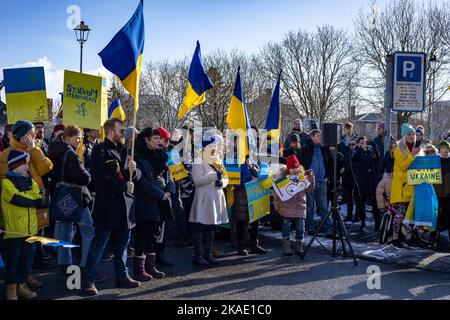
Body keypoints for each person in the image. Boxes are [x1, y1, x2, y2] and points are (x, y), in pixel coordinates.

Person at [83, 118, 139, 296]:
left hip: (125, 205)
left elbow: (134, 176)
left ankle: (122, 276)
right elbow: (99, 178)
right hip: (107, 204)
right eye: (121, 130)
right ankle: (89, 280)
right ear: (110, 131)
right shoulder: (100, 149)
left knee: (123, 244)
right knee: (99, 244)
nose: (124, 133)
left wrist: (134, 170)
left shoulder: (125, 149)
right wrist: (123, 185)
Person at [0, 120, 53, 289]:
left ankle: (27, 275)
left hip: (35, 206)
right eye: (31, 133)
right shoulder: (7, 154)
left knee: (32, 243)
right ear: (22, 136)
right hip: (19, 208)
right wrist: (25, 196)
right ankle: (17, 282)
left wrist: (34, 151)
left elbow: (47, 168)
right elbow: (3, 181)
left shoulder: (34, 149)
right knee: (17, 250)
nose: (35, 136)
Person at [48, 125, 94, 275]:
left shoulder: (54, 151)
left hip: (62, 196)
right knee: (88, 230)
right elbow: (83, 178)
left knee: (66, 232)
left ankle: (65, 265)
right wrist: (87, 171)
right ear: (67, 137)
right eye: (77, 138)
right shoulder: (71, 154)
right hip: (76, 197)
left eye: (81, 138)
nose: (79, 141)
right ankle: (86, 264)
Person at [133, 127, 175, 281]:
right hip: (146, 201)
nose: (159, 141)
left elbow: (168, 174)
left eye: (159, 138)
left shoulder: (160, 154)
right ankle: (139, 269)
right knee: (143, 234)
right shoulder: (137, 156)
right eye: (155, 138)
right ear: (147, 139)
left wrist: (170, 190)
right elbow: (141, 182)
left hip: (161, 201)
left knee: (154, 234)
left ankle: (151, 266)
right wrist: (160, 194)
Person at [2, 150, 44, 300]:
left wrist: (33, 200)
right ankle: (11, 290)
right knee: (12, 263)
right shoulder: (6, 182)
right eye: (25, 164)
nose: (28, 167)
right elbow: (18, 199)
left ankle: (21, 286)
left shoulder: (30, 180)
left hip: (30, 229)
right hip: (14, 231)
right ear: (16, 165)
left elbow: (38, 197)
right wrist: (33, 200)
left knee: (25, 262)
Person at [189, 136, 229, 266]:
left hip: (216, 197)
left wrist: (222, 182)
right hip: (204, 198)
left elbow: (226, 178)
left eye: (215, 146)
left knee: (212, 226)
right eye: (211, 146)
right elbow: (197, 181)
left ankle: (208, 254)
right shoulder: (198, 161)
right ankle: (197, 255)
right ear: (204, 148)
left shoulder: (218, 160)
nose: (214, 148)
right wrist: (213, 176)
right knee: (200, 226)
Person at [274, 155, 315, 256]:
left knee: (300, 229)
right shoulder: (283, 179)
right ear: (288, 168)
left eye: (296, 167)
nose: (294, 170)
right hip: (286, 208)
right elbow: (277, 193)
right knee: (286, 228)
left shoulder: (303, 178)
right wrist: (277, 205)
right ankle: (286, 248)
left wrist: (310, 177)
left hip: (300, 207)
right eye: (292, 168)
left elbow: (309, 190)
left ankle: (299, 247)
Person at [390, 123, 420, 247]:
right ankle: (395, 237)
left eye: (413, 134)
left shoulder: (416, 148)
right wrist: (412, 155)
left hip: (413, 187)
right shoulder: (398, 149)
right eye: (409, 134)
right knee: (400, 214)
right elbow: (402, 166)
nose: (412, 136)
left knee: (410, 214)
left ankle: (408, 237)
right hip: (402, 188)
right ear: (404, 136)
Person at [298, 129, 333, 236]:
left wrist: (328, 177)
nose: (320, 138)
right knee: (309, 207)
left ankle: (327, 229)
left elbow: (331, 163)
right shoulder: (305, 149)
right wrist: (304, 177)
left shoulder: (325, 148)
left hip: (322, 181)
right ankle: (310, 228)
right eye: (318, 136)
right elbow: (299, 165)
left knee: (323, 207)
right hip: (309, 182)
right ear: (312, 137)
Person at [232, 155, 266, 256]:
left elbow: (260, 173)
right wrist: (248, 180)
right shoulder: (235, 158)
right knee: (242, 220)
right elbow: (234, 180)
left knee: (255, 220)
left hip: (254, 191)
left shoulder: (253, 158)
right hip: (241, 193)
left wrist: (252, 168)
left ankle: (254, 245)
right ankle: (240, 247)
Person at [352, 136, 380, 232]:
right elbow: (354, 159)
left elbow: (377, 159)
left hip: (371, 183)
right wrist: (361, 149)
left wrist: (373, 148)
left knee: (375, 205)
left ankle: (377, 223)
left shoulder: (370, 152)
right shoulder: (357, 153)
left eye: (365, 142)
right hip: (361, 183)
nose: (364, 144)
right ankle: (363, 223)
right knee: (361, 205)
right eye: (361, 143)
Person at [434, 140, 450, 242]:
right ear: (439, 149)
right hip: (437, 194)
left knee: (448, 217)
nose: (445, 149)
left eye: (447, 147)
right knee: (435, 216)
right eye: (443, 147)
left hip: (449, 195)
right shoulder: (435, 160)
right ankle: (433, 237)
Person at [339, 138, 357, 222]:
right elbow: (342, 163)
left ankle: (357, 216)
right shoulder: (346, 153)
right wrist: (342, 169)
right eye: (350, 144)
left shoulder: (358, 153)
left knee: (357, 198)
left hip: (356, 178)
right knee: (348, 198)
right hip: (347, 178)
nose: (352, 146)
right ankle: (349, 215)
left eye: (353, 144)